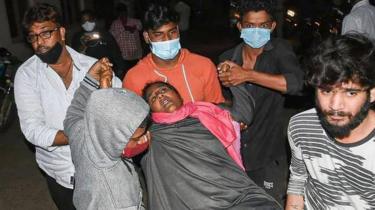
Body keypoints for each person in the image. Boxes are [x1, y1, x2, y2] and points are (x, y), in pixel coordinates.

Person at [14, 3, 121, 209]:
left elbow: (121, 105)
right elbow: (33, 130)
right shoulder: (27, 75)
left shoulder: (92, 66)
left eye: (45, 33)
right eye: (33, 37)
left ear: (61, 32)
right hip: (61, 172)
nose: (39, 43)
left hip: (101, 166)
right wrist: (83, 134)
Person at [139, 81, 281, 209]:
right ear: (151, 112)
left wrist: (234, 83)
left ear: (178, 94)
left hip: (234, 194)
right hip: (190, 203)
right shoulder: (152, 134)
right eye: (153, 98)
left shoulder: (206, 112)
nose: (160, 96)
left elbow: (243, 115)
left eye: (163, 90)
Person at [218, 0, 305, 205]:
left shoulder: (279, 51)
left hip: (267, 153)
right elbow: (221, 100)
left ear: (272, 26)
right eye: (250, 25)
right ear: (240, 26)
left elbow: (297, 84)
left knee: (268, 204)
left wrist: (247, 75)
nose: (256, 30)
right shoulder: (227, 58)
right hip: (234, 153)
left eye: (263, 25)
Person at [286, 33, 375, 209]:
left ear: (372, 93)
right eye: (326, 91)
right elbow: (298, 180)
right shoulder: (300, 126)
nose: (335, 106)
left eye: (350, 93)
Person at [63, 58, 148, 210]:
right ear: (114, 138)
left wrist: (97, 85)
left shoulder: (82, 135)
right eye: (136, 138)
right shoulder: (120, 200)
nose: (143, 139)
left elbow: (74, 115)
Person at [123, 3, 224, 104]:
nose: (167, 39)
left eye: (172, 32)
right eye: (159, 34)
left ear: (178, 31)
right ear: (146, 37)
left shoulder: (203, 66)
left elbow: (217, 110)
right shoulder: (134, 78)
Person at [71, 9, 125, 78]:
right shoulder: (77, 37)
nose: (87, 23)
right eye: (84, 21)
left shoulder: (104, 34)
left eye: (90, 20)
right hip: (87, 72)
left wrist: (120, 67)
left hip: (106, 70)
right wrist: (84, 44)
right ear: (80, 23)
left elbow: (115, 51)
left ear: (94, 20)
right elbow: (75, 56)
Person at [110, 3, 143, 76]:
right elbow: (112, 36)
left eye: (123, 11)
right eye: (120, 12)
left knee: (136, 73)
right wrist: (123, 29)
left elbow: (140, 27)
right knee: (126, 74)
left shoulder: (135, 21)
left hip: (134, 54)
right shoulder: (115, 23)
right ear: (118, 13)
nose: (122, 14)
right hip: (122, 54)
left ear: (126, 12)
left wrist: (133, 28)